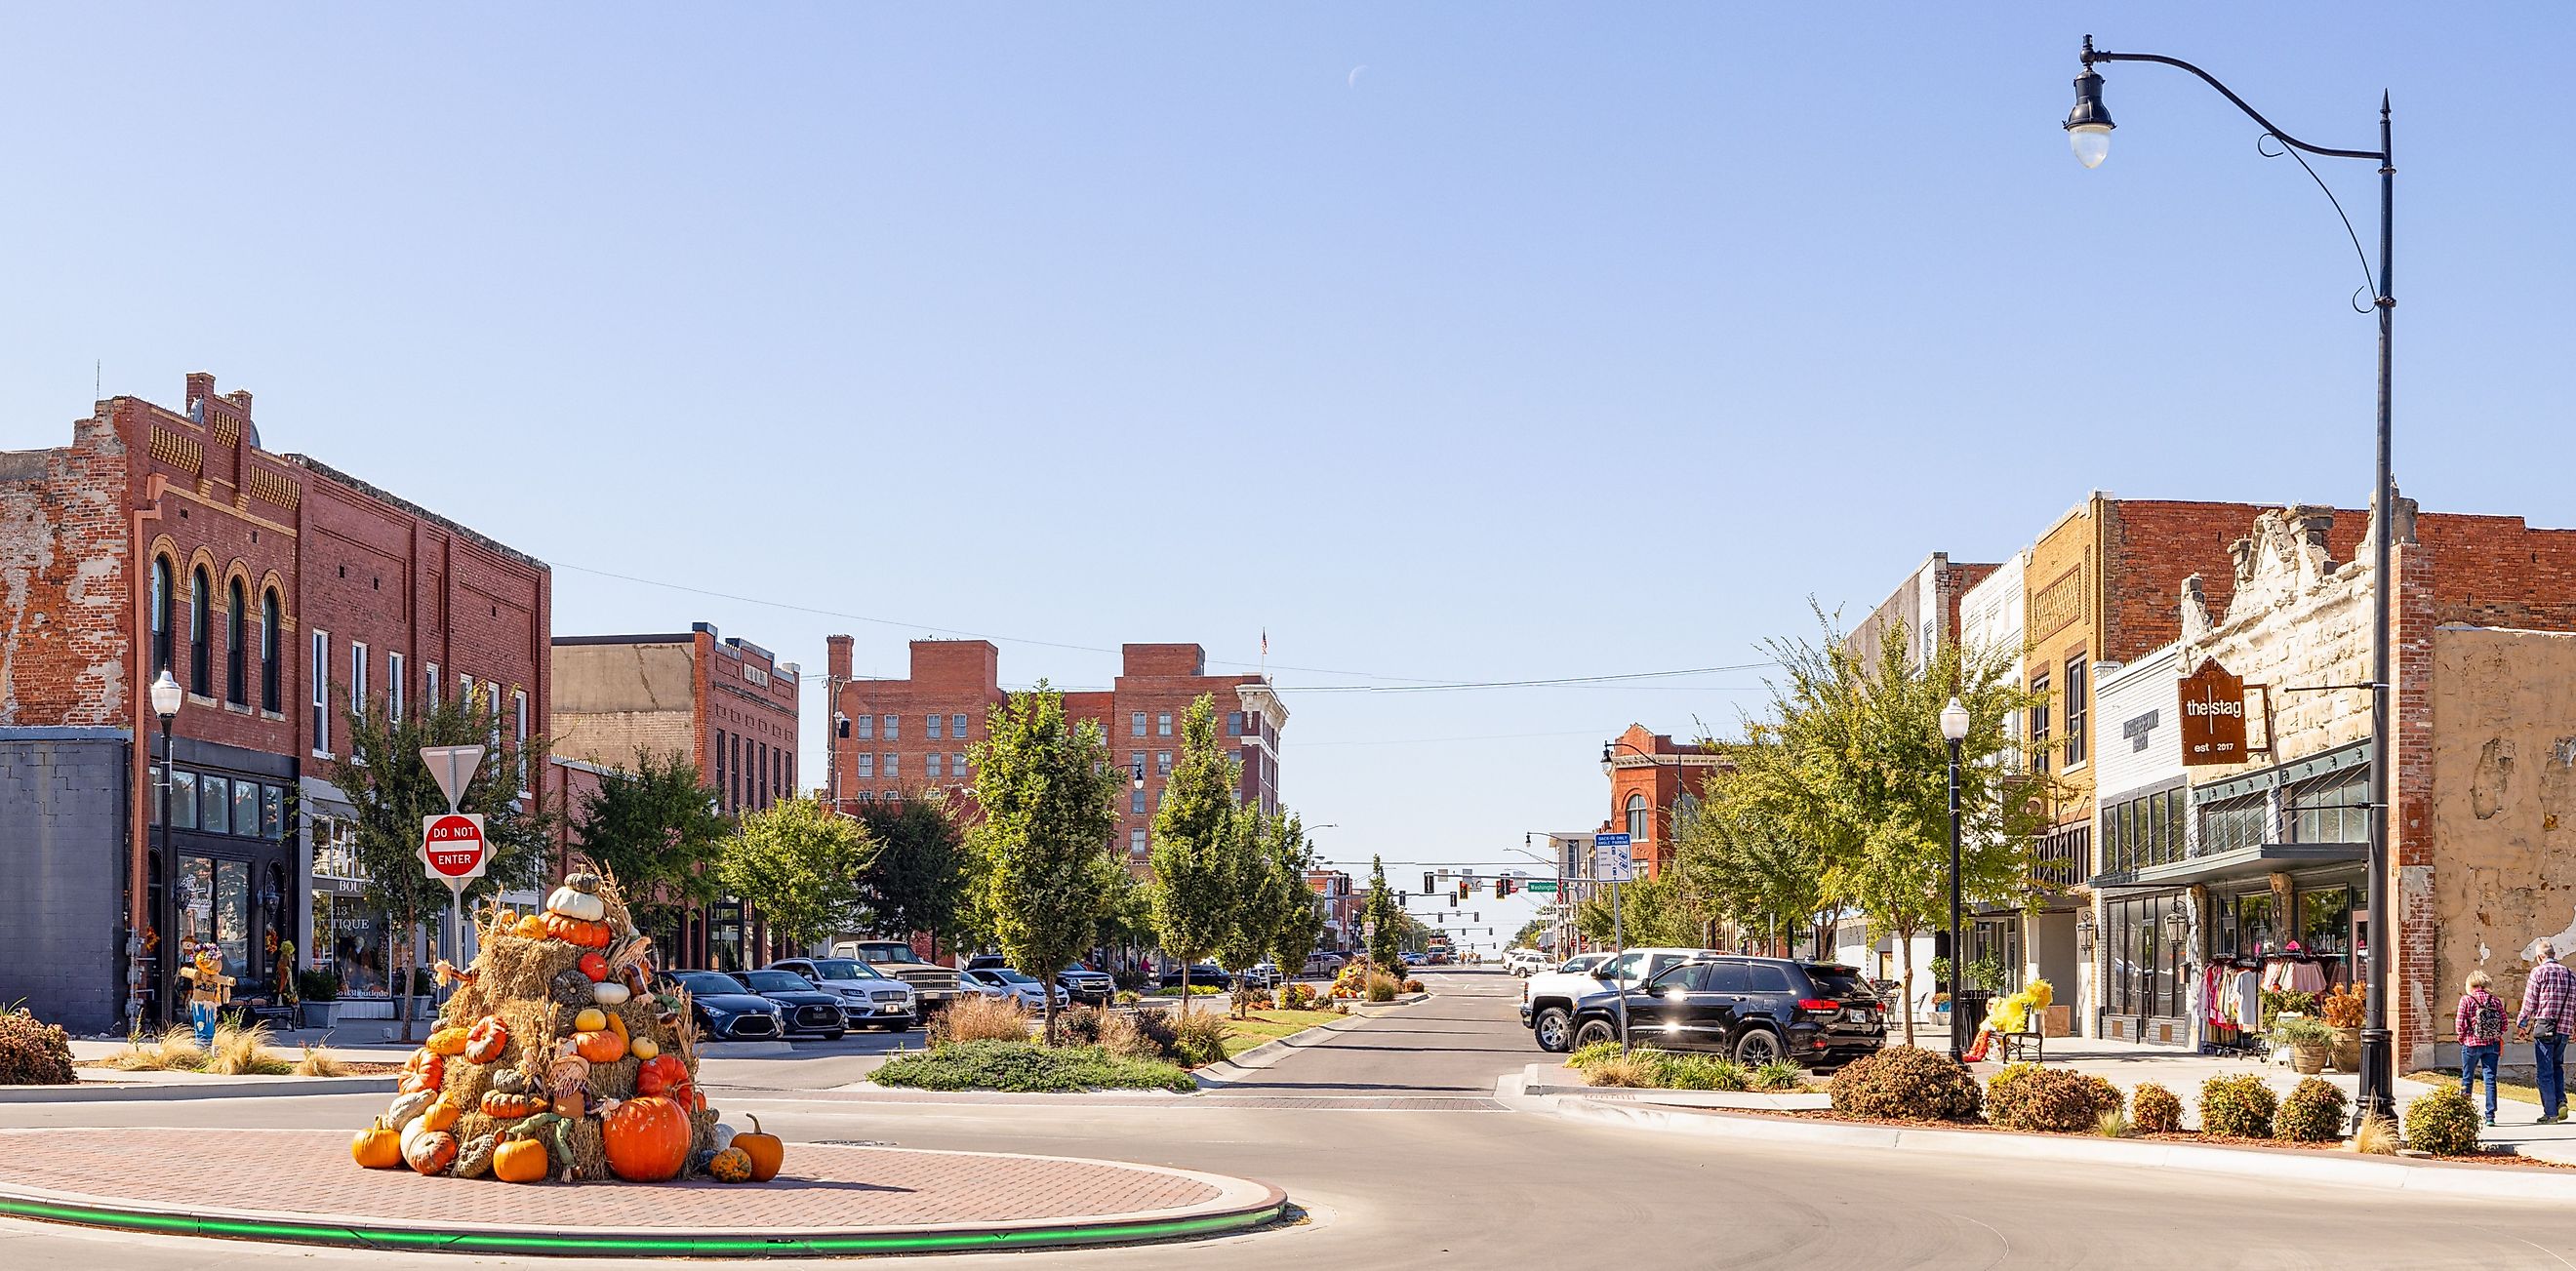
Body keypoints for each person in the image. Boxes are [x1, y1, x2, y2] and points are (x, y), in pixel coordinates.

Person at [2515, 939, 2576, 1124]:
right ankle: (2561, 1101)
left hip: (2544, 1027)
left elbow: (2530, 1001)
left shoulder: (2538, 972)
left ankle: (2550, 1113)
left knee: (2544, 1071)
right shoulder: (2570, 974)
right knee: (2557, 1066)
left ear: (2540, 956)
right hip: (2564, 1028)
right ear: (2554, 954)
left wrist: (2522, 1023)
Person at [2457, 970, 2507, 1127]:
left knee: (2467, 1078)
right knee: (2490, 1079)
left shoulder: (2467, 1000)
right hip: (2492, 1044)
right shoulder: (2495, 1001)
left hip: (2471, 1043)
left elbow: (2460, 1023)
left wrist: (2462, 1037)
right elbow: (2504, 1024)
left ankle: (2465, 1112)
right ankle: (2490, 1115)